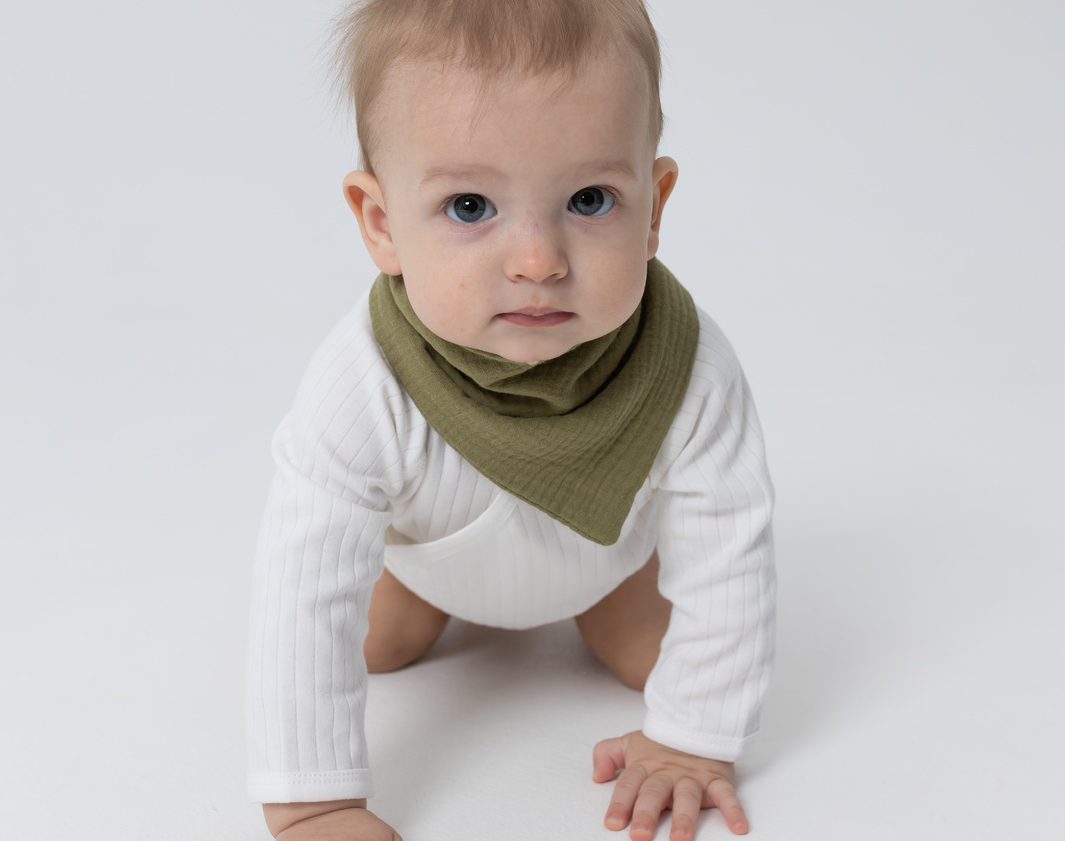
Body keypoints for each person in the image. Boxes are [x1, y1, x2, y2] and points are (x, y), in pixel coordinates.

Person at [246, 1, 776, 839]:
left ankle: (606, 602)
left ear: (655, 207)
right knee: (377, 642)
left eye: (591, 199)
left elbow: (728, 546)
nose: (538, 261)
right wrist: (313, 800)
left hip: (604, 562)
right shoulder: (363, 383)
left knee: (654, 657)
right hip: (428, 567)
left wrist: (692, 739)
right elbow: (301, 591)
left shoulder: (689, 366)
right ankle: (416, 601)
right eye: (469, 207)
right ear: (381, 224)